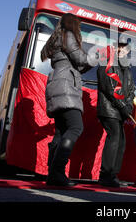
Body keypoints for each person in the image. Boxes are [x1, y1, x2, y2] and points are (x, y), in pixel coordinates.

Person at [41, 13, 98, 187]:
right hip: (66, 86)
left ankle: (53, 173)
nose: (79, 28)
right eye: (78, 25)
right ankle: (57, 171)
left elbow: (77, 65)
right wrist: (98, 56)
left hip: (56, 84)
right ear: (73, 24)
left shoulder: (56, 38)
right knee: (75, 127)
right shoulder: (69, 35)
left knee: (60, 131)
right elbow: (81, 59)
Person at [96, 39, 135, 187]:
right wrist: (122, 105)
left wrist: (128, 106)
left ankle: (112, 174)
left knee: (121, 141)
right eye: (119, 47)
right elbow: (110, 88)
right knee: (115, 137)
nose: (122, 50)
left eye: (125, 48)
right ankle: (106, 174)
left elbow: (131, 90)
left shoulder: (128, 69)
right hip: (109, 108)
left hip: (120, 110)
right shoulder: (108, 62)